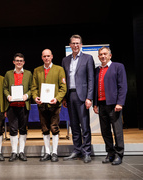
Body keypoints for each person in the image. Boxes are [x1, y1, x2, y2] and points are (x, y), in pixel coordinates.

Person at [62, 34, 95, 163]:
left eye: (78, 43)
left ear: (81, 45)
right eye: (73, 43)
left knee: (85, 125)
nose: (75, 45)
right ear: (70, 45)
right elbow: (64, 80)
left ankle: (87, 152)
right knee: (74, 125)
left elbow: (91, 79)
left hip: (82, 96)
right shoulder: (65, 60)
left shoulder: (88, 58)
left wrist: (89, 97)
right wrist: (65, 97)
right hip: (70, 95)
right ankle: (77, 150)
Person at [93, 47, 127, 165]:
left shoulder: (118, 66)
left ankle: (119, 154)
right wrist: (95, 104)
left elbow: (123, 86)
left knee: (117, 131)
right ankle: (110, 153)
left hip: (114, 104)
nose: (103, 56)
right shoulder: (97, 70)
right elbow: (95, 88)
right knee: (105, 131)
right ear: (98, 57)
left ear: (110, 55)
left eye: (105, 54)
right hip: (101, 104)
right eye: (101, 54)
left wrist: (120, 102)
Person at [31, 49, 67, 162]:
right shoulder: (37, 70)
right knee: (45, 129)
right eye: (44, 56)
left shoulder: (59, 69)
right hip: (42, 105)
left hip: (54, 105)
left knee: (54, 128)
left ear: (52, 56)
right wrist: (35, 97)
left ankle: (54, 152)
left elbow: (63, 87)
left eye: (48, 56)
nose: (46, 58)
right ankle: (47, 152)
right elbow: (34, 87)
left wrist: (57, 98)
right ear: (42, 57)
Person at [4, 53, 32, 162]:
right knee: (13, 129)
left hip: (23, 106)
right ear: (13, 62)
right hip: (12, 106)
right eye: (17, 60)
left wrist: (27, 95)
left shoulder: (29, 74)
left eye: (21, 60)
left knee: (23, 129)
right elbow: (5, 88)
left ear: (23, 62)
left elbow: (32, 88)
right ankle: (14, 152)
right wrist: (8, 96)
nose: (19, 62)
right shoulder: (8, 74)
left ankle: (21, 152)